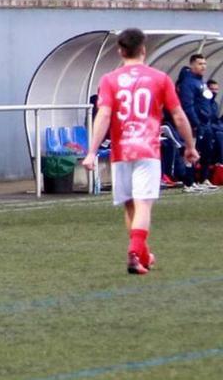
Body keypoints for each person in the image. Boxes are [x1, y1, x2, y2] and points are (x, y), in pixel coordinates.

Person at [83, 28, 199, 275]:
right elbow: (178, 115)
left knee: (130, 206)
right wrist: (190, 146)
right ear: (144, 50)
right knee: (143, 205)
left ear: (120, 51)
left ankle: (143, 255)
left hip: (121, 151)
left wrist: (92, 151)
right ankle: (135, 254)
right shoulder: (159, 78)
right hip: (147, 149)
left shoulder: (109, 80)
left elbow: (103, 115)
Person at [176, 54, 216, 188]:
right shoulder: (188, 83)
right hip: (195, 124)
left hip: (206, 123)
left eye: (204, 64)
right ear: (192, 65)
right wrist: (195, 122)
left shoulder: (201, 82)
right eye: (200, 64)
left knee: (207, 151)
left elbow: (206, 101)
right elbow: (188, 105)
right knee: (192, 151)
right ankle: (189, 182)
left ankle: (204, 179)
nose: (203, 66)